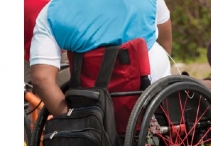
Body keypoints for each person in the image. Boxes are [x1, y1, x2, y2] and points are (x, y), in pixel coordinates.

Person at [29, 0, 172, 116]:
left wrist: (72, 119)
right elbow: (166, 45)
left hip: (93, 106)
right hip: (150, 95)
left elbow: (42, 79)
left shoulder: (50, 13)